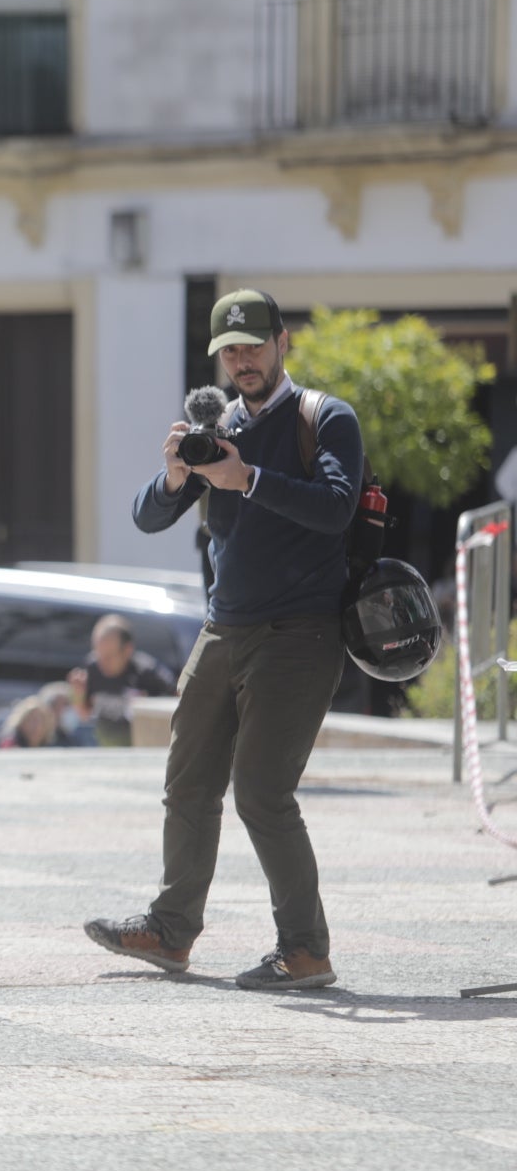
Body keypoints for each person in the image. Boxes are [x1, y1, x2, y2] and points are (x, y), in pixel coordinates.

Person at [86, 288, 362, 991]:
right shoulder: (220, 426)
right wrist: (180, 470)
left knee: (263, 793)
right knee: (187, 784)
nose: (242, 361)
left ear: (282, 344)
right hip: (224, 628)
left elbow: (334, 510)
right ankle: (171, 933)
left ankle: (306, 950)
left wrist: (249, 478)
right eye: (229, 351)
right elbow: (149, 515)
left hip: (299, 633)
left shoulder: (323, 418)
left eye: (253, 346)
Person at [68, 614, 178, 747]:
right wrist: (77, 695)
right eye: (98, 654)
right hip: (104, 748)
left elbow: (177, 704)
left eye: (109, 656)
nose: (102, 662)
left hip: (142, 749)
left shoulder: (147, 673)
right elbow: (84, 714)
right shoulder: (92, 668)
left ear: (127, 650)